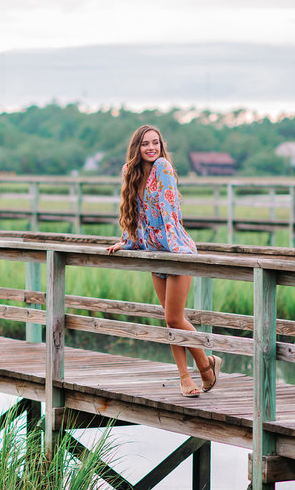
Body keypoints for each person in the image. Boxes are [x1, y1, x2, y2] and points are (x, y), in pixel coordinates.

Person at [106, 125, 221, 397]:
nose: (151, 148)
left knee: (174, 317)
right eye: (145, 143)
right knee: (171, 322)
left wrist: (175, 253)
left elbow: (170, 212)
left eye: (155, 143)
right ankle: (187, 376)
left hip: (176, 252)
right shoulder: (129, 172)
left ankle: (205, 367)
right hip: (155, 254)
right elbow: (133, 211)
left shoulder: (163, 168)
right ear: (137, 147)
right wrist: (127, 242)